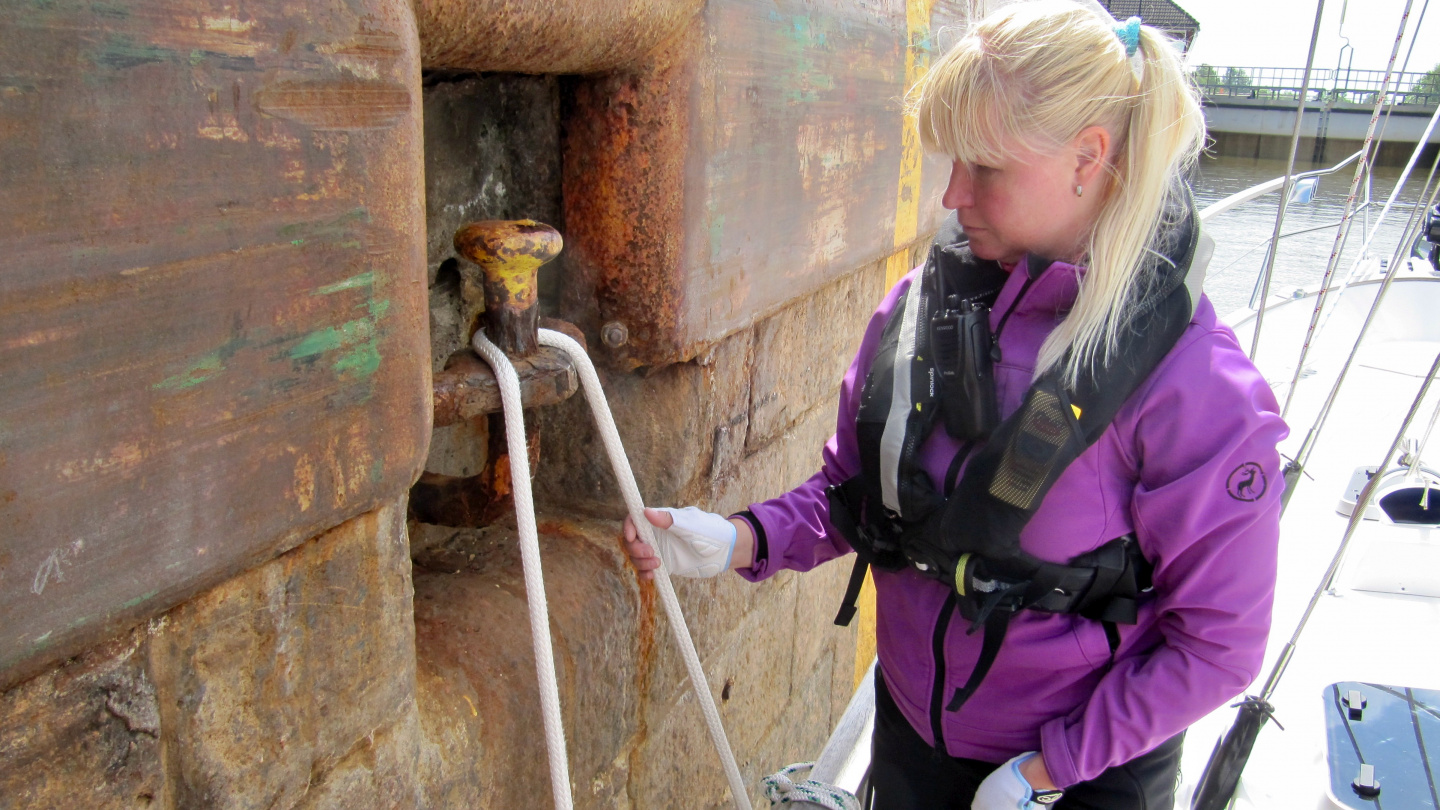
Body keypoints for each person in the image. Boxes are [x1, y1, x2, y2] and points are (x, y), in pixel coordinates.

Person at [623, 2, 1287, 808]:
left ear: (1088, 157)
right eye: (951, 162)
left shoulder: (1197, 390)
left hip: (1072, 780)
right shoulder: (917, 307)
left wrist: (1044, 774)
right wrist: (737, 538)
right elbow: (857, 500)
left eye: (986, 169)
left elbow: (1218, 644)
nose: (952, 193)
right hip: (909, 737)